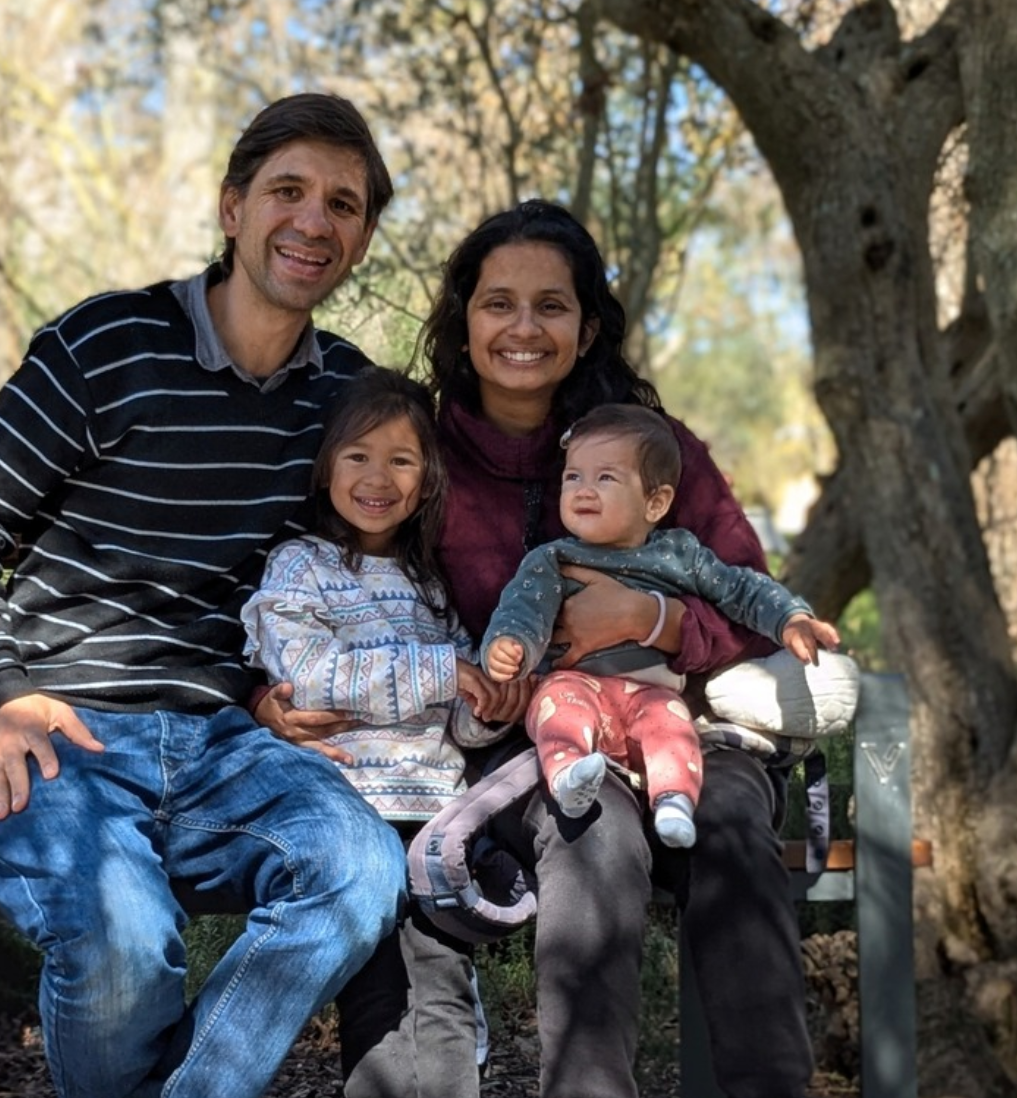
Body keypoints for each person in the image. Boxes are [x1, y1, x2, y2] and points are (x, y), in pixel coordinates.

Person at [0, 93, 409, 1098]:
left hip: (228, 746)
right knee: (123, 938)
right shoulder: (107, 344)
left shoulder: (343, 399)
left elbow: (339, 575)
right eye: (288, 191)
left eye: (344, 205)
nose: (314, 221)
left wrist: (276, 688)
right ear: (232, 208)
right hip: (62, 732)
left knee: (358, 870)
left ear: (360, 238)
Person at [424, 198, 816, 1098]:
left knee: (727, 824)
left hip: (688, 721)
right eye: (498, 303)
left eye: (552, 306)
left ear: (588, 324)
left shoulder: (657, 451)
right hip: (532, 751)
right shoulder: (425, 455)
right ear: (465, 316)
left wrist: (653, 623)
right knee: (589, 834)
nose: (524, 328)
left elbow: (753, 601)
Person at [240, 365, 528, 1097]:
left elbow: (456, 712)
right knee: (379, 999)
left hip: (435, 824)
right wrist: (443, 676)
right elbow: (308, 675)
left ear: (428, 479)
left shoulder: (431, 585)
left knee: (440, 988)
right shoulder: (299, 567)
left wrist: (483, 704)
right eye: (358, 455)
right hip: (350, 821)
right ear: (326, 464)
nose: (378, 477)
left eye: (401, 459)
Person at [482, 402, 841, 848]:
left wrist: (790, 617)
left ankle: (673, 800)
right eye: (573, 477)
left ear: (656, 501)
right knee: (559, 707)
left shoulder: (678, 555)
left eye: (605, 478)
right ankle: (568, 777)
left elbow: (742, 589)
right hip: (576, 683)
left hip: (650, 694)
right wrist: (510, 645)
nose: (583, 490)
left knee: (672, 724)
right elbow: (523, 611)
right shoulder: (553, 559)